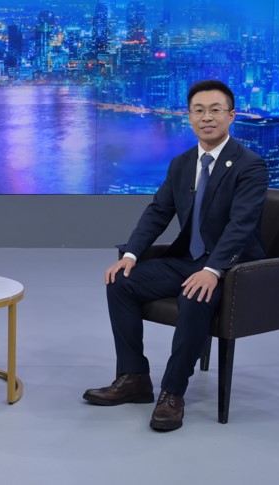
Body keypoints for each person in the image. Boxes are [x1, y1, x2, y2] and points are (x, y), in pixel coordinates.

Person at [83, 79, 268, 431]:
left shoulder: (250, 165)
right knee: (121, 282)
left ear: (231, 116)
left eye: (215, 110)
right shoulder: (182, 164)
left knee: (196, 296)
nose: (206, 117)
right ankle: (134, 377)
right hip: (188, 259)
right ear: (189, 117)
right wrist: (131, 255)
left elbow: (241, 226)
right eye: (199, 110)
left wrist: (213, 269)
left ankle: (173, 392)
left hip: (231, 266)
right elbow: (157, 212)